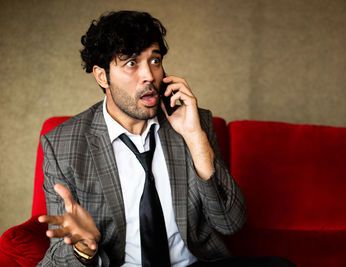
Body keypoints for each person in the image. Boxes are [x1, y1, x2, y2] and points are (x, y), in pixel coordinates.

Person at [38, 11, 295, 267]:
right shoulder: (63, 145)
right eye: (131, 63)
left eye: (155, 60)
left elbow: (230, 222)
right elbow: (57, 258)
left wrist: (195, 137)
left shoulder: (194, 122)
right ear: (102, 76)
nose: (149, 75)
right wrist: (84, 248)